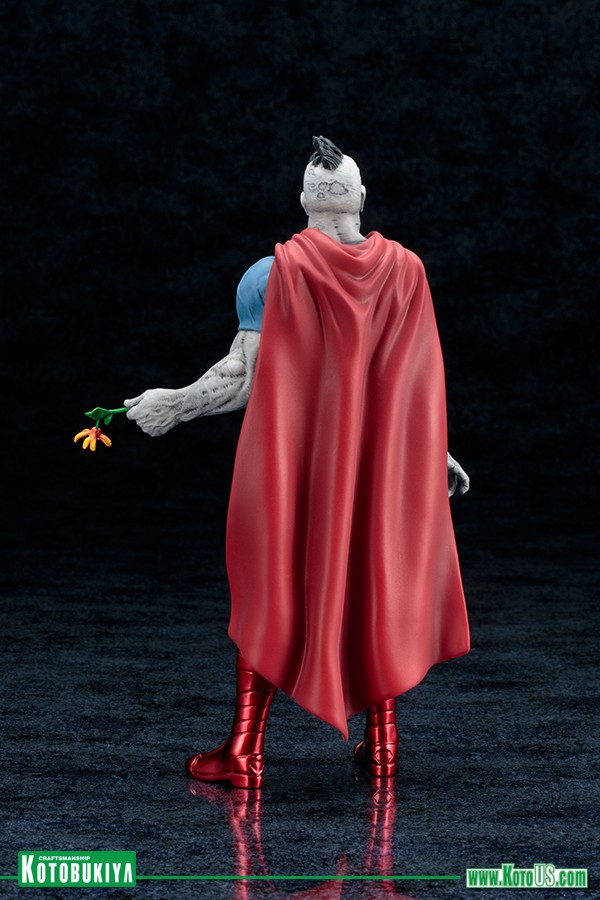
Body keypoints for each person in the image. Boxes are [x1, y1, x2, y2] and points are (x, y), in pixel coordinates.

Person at [125, 136, 470, 789]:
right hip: (378, 473)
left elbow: (242, 376)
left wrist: (177, 402)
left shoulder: (270, 273)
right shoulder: (407, 270)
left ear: (303, 200)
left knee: (271, 590)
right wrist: (431, 452)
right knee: (376, 583)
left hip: (292, 471)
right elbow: (409, 389)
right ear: (360, 196)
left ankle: (245, 751)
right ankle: (383, 747)